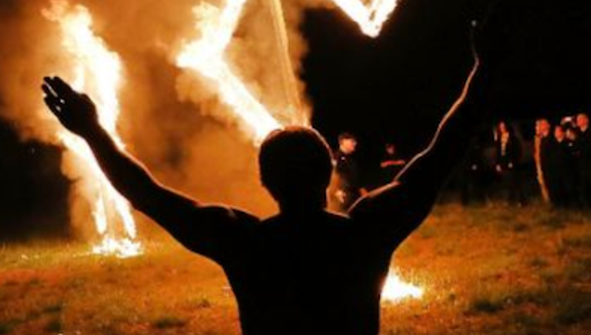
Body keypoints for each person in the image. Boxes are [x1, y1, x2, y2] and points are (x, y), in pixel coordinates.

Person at [41, 55, 480, 335]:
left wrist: (93, 132)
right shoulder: (364, 233)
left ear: (264, 182)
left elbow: (146, 194)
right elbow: (439, 157)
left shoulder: (245, 242)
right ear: (329, 174)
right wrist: (484, 71)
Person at [493, 121, 525, 206]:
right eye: (500, 127)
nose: (502, 128)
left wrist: (513, 162)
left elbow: (518, 151)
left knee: (515, 181)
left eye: (503, 126)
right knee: (506, 182)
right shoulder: (499, 139)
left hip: (511, 163)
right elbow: (498, 152)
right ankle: (509, 200)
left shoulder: (513, 138)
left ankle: (520, 200)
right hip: (503, 163)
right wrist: (497, 164)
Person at [332, 132, 365, 212]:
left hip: (354, 197)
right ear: (343, 142)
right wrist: (336, 191)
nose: (355, 143)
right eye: (352, 141)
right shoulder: (335, 157)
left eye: (355, 141)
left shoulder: (351, 160)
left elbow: (355, 178)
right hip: (343, 198)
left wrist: (362, 190)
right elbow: (331, 176)